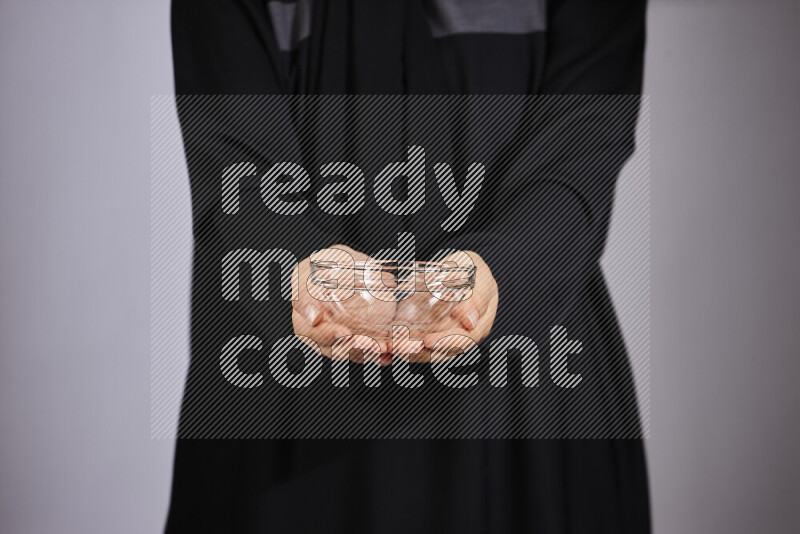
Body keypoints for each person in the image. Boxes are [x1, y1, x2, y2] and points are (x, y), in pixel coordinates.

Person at [165, 0, 650, 532]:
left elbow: (585, 134)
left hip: (526, 394)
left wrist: (504, 267)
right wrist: (298, 268)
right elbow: (231, 157)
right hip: (282, 398)